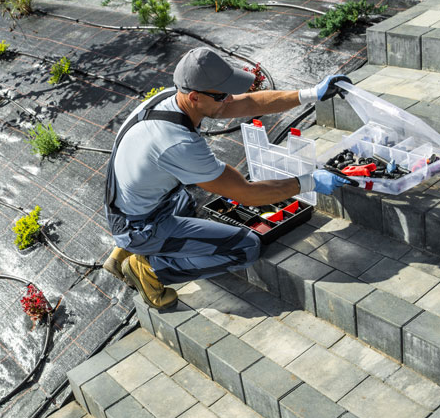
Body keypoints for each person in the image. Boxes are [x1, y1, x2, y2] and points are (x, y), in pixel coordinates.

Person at [103, 46, 351, 309]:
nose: (230, 99)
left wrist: (310, 94)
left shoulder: (170, 99)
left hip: (130, 205)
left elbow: (249, 103)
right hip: (141, 224)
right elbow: (248, 194)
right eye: (222, 95)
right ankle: (148, 268)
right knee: (246, 248)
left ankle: (125, 250)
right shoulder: (177, 143)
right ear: (195, 97)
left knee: (188, 199)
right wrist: (311, 182)